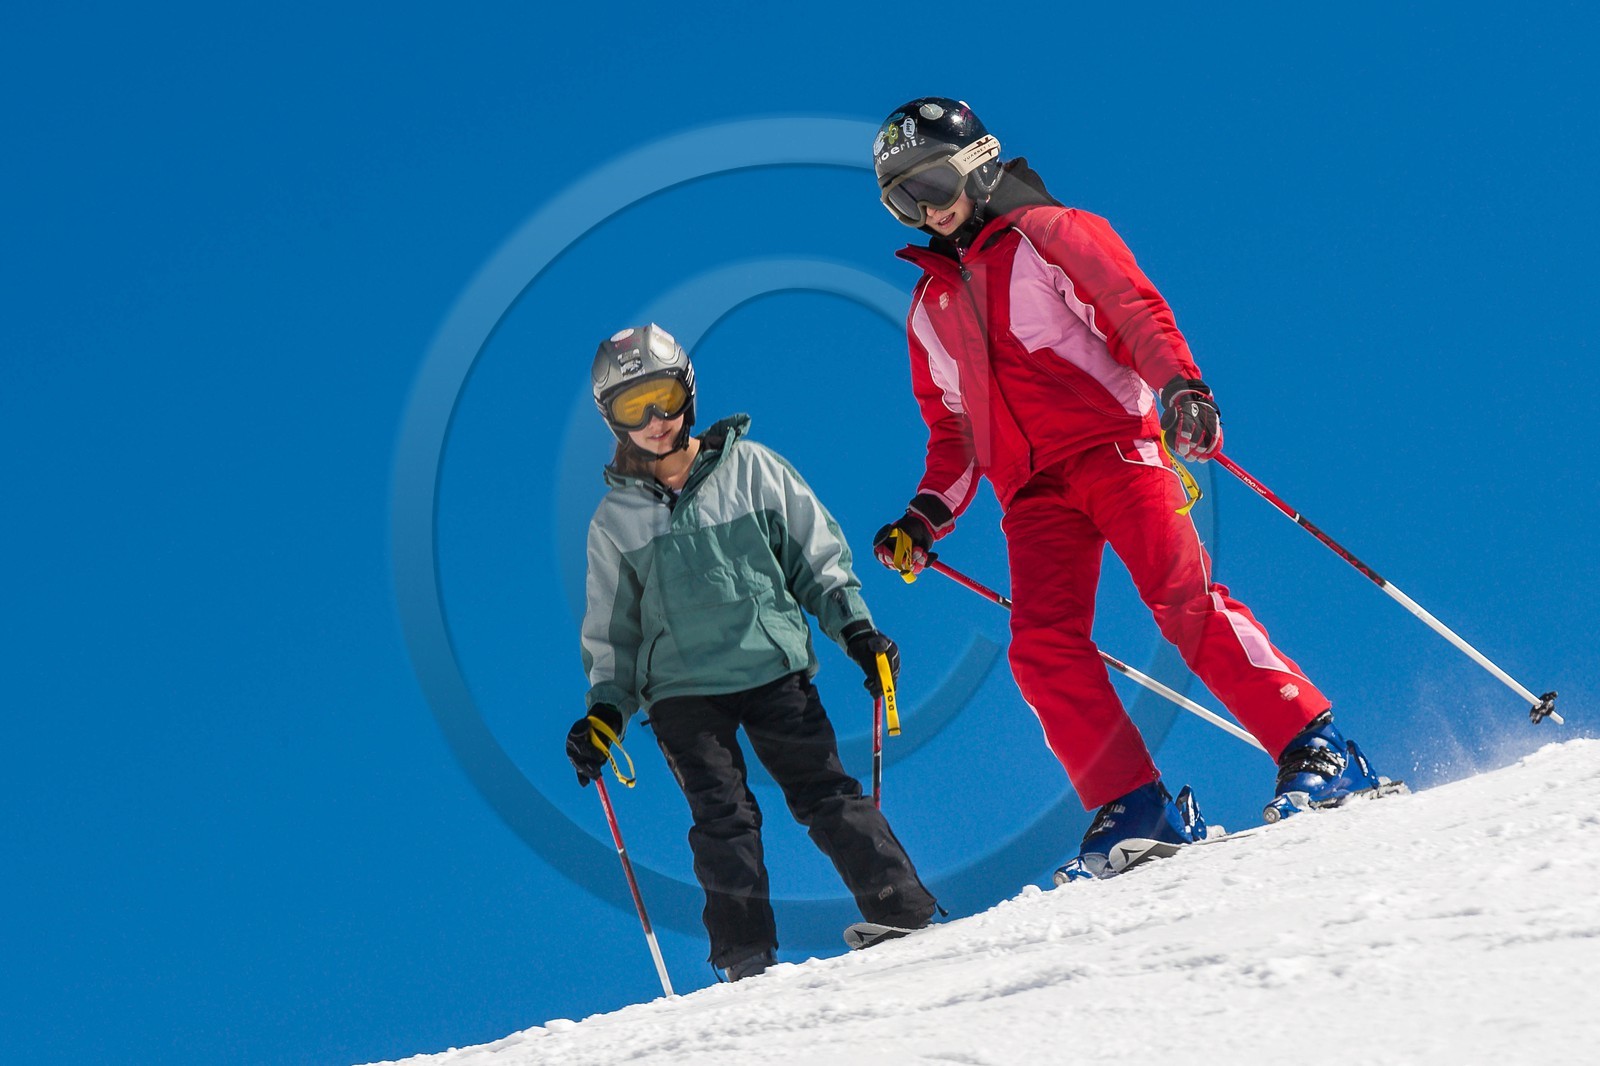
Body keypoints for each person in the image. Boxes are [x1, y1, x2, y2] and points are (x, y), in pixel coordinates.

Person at [867, 98, 1395, 882]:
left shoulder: (1050, 234)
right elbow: (954, 434)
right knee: (1041, 650)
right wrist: (925, 516)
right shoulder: (929, 307)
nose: (927, 207)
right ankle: (1133, 804)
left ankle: (1315, 747)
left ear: (978, 162)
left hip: (1115, 449)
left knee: (1181, 599)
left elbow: (1131, 313)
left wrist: (1182, 388)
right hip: (1032, 497)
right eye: (904, 199)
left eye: (934, 182)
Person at [568, 324, 937, 979]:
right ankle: (744, 957)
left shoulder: (753, 469)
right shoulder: (613, 522)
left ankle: (902, 911)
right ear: (613, 420)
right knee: (722, 814)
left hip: (771, 667)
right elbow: (611, 633)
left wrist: (856, 631)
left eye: (662, 397)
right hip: (680, 690)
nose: (655, 420)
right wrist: (605, 712)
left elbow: (815, 557)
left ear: (687, 391)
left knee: (824, 788)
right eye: (632, 408)